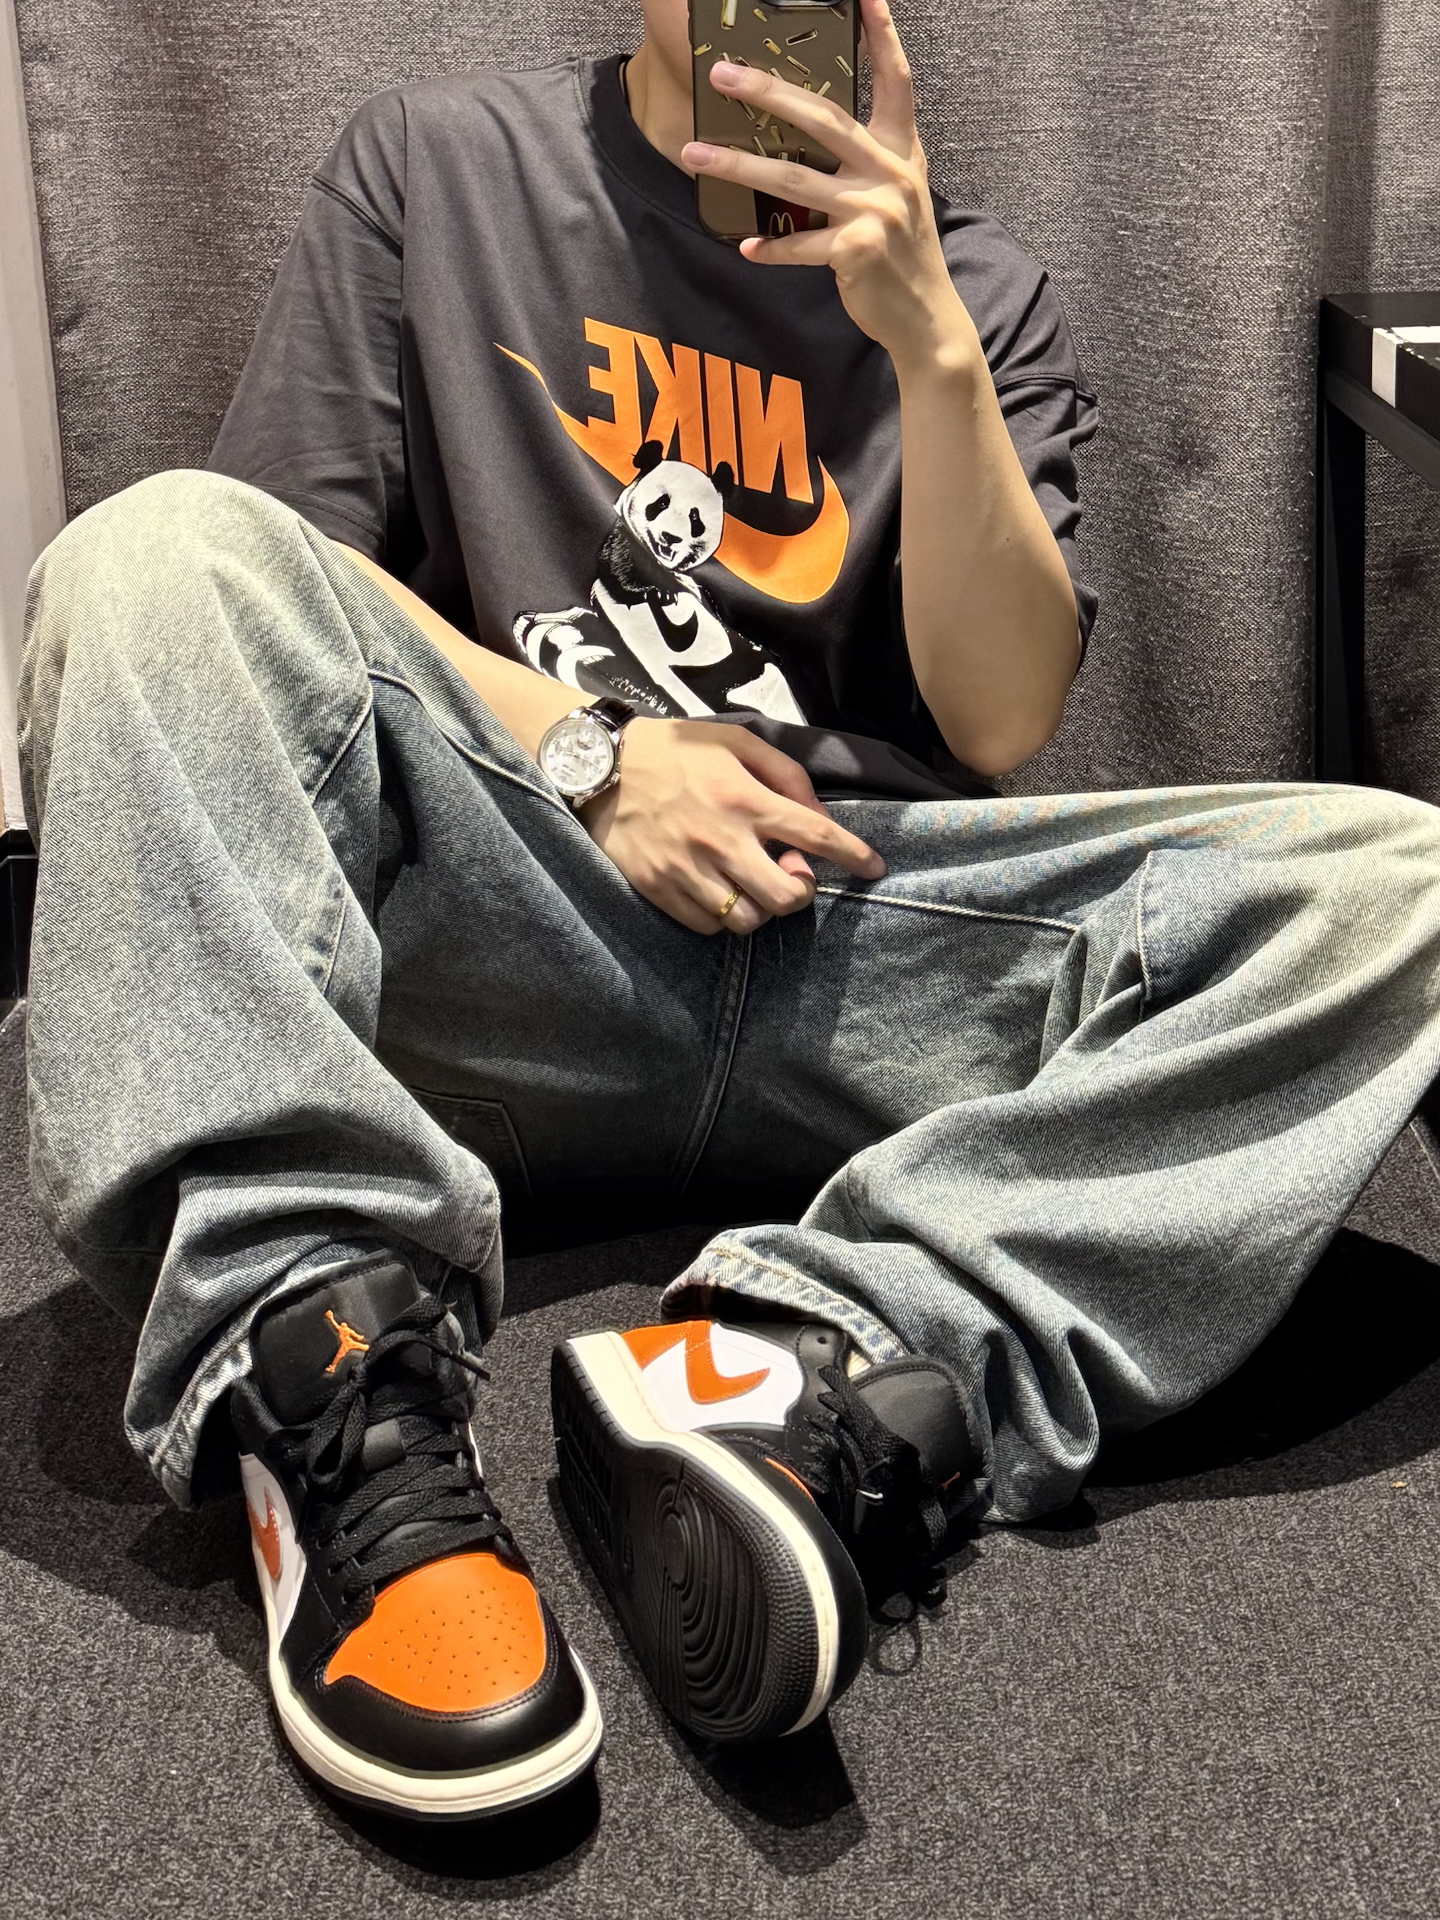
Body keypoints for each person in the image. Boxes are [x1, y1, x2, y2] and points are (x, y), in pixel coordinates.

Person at [19, 0, 1440, 1825]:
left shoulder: (977, 289)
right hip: (524, 918)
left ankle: (814, 1365)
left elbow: (1002, 718)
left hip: (858, 949)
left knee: (1397, 883)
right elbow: (281, 607)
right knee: (148, 555)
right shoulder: (436, 169)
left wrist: (927, 338)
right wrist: (598, 758)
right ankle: (328, 1373)